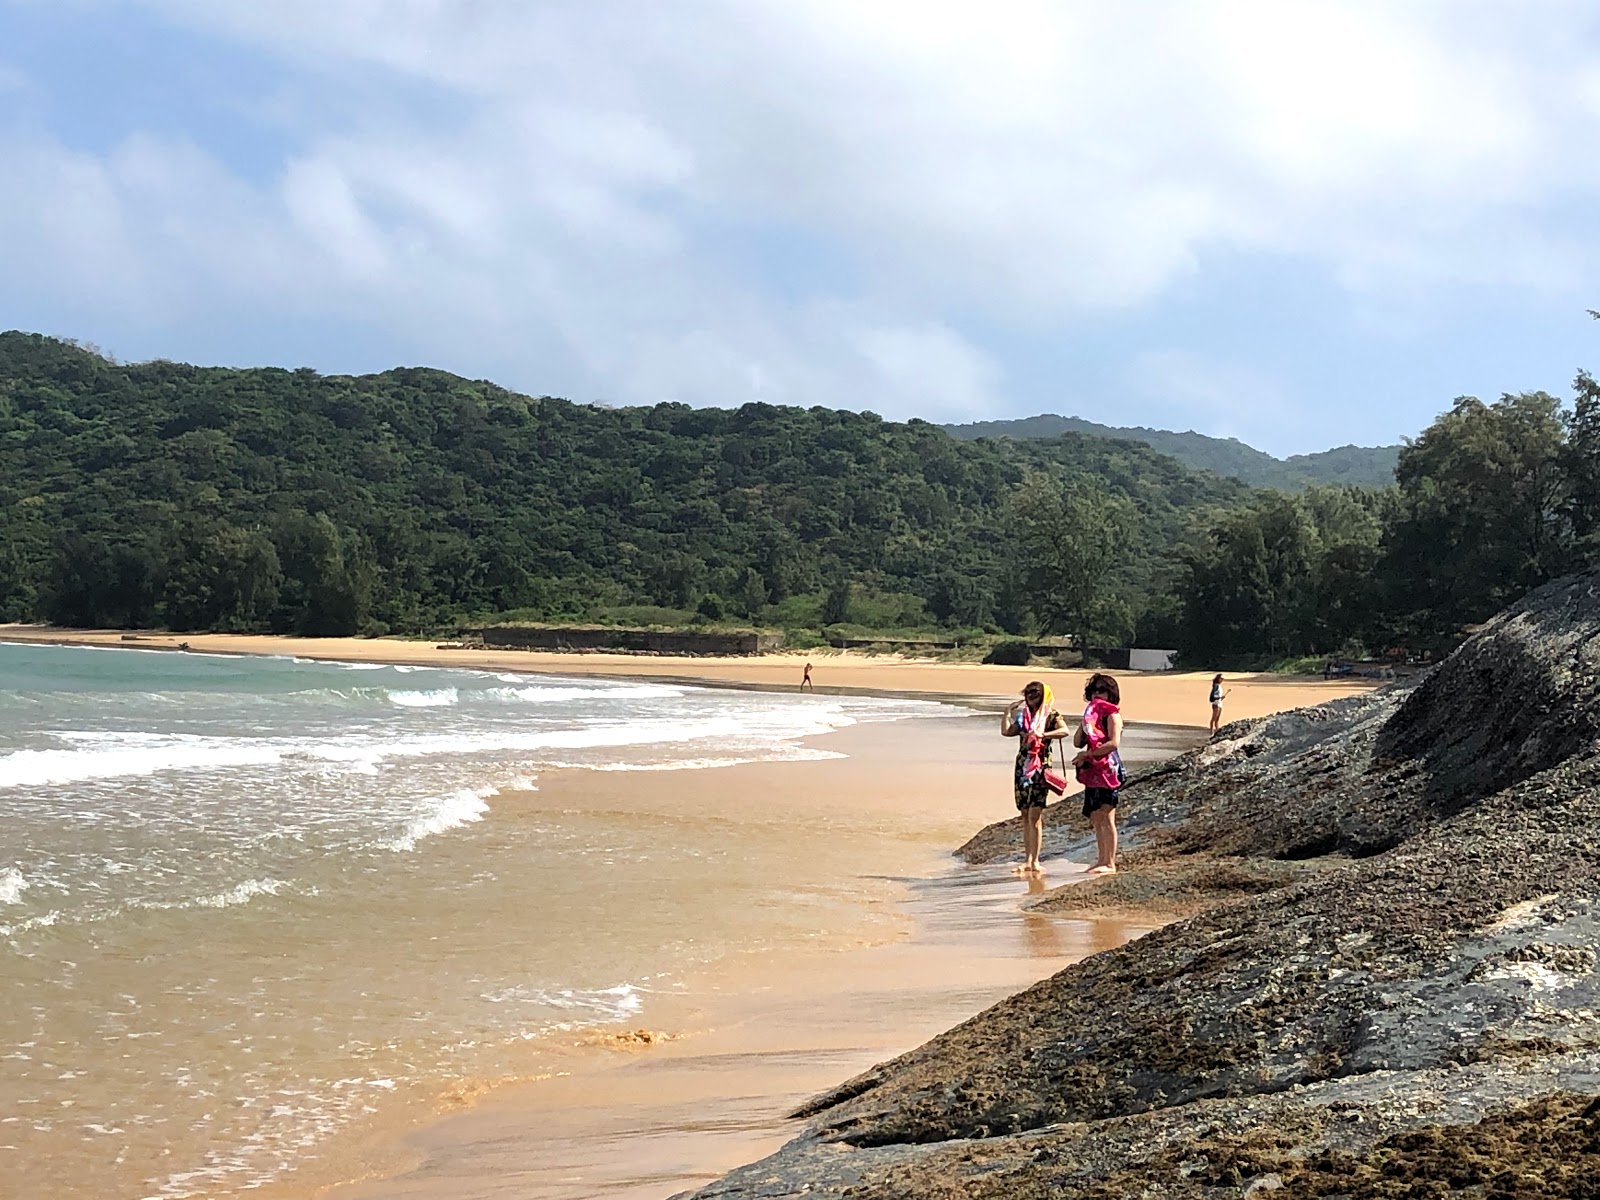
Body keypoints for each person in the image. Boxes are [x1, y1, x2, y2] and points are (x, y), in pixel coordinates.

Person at [1001, 680, 1071, 875]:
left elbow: (1064, 730)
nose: (1031, 698)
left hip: (1040, 768)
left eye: (1035, 694)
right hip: (1022, 768)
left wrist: (1043, 734)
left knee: (1035, 815)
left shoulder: (1051, 715)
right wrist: (1007, 712)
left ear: (1043, 695)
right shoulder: (1024, 717)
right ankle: (1027, 860)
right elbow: (1007, 731)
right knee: (1024, 815)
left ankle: (1036, 860)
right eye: (1028, 694)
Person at [1073, 672, 1123, 875]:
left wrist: (1088, 754)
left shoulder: (1113, 715)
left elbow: (1113, 743)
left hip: (1108, 771)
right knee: (1095, 816)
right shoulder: (1092, 717)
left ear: (1111, 694)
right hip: (1092, 770)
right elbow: (1077, 741)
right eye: (1094, 690)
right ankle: (1101, 858)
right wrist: (1085, 721)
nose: (1097, 694)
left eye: (1102, 690)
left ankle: (1110, 862)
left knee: (1107, 815)